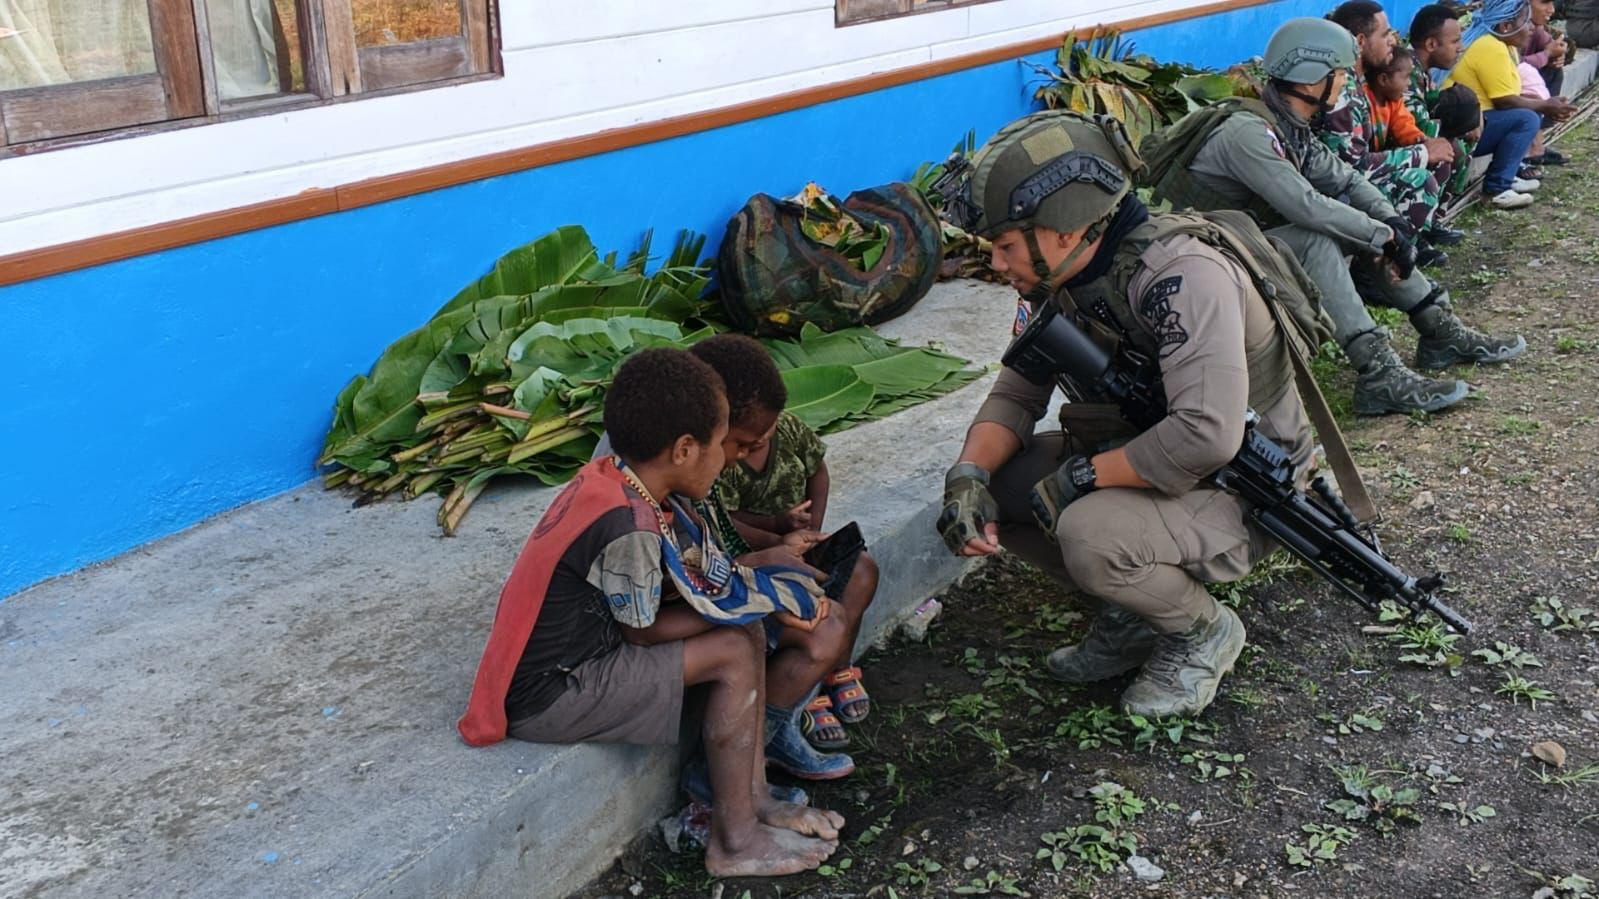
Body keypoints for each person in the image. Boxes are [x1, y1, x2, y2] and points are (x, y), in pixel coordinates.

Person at [936, 109, 1317, 719]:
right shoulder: (1064, 276)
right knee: (1005, 485)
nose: (998, 266)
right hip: (1152, 456)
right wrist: (967, 478)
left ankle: (1201, 630)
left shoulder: (1181, 276)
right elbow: (1016, 392)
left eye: (1006, 247)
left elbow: (1206, 434)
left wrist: (1081, 478)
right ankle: (1134, 611)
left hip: (1241, 487)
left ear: (1065, 229)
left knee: (1088, 532)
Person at [457, 347, 843, 878]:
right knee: (733, 646)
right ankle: (735, 842)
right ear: (685, 449)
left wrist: (752, 601)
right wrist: (757, 601)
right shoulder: (630, 523)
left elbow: (696, 584)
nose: (727, 457)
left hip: (588, 658)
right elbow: (642, 633)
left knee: (744, 628)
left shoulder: (619, 479)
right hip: (551, 692)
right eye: (719, 443)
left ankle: (754, 802)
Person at [1147, 17, 1526, 415]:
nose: (1347, 82)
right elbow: (1306, 206)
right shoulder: (1247, 134)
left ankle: (1438, 329)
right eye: (1342, 73)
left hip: (1238, 240)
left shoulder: (1287, 126)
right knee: (1317, 238)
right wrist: (1383, 236)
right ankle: (1377, 372)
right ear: (1312, 79)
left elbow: (1343, 180)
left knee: (1358, 227)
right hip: (1199, 258)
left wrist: (1388, 221)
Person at [688, 334, 881, 760]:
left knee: (860, 571)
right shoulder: (691, 478)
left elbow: (816, 475)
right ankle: (776, 731)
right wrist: (773, 551)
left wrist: (797, 537)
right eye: (742, 444)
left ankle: (826, 680)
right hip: (727, 596)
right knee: (821, 621)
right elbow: (706, 571)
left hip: (754, 564)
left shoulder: (720, 458)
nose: (741, 454)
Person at [1320, 1, 1454, 265]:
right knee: (1419, 180)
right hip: (1335, 194)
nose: (1393, 40)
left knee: (1436, 159)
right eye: (1385, 34)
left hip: (1353, 183)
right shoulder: (1341, 88)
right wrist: (1421, 153)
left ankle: (1408, 246)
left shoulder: (1361, 79)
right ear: (1359, 41)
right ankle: (1374, 268)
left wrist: (1422, 145)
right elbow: (1351, 168)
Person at [1444, 0, 1577, 207]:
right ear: (1505, 27)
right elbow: (1504, 101)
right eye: (1526, 22)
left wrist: (1544, 103)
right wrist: (1545, 105)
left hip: (1476, 122)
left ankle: (1511, 173)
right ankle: (1497, 189)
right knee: (1525, 118)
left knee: (1528, 109)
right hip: (1466, 132)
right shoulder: (1491, 47)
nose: (1532, 27)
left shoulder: (1504, 45)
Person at [1404, 4, 1480, 236]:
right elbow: (1417, 124)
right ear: (1431, 44)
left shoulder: (1421, 70)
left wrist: (1475, 115)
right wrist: (1461, 127)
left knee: (1460, 135)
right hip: (1399, 145)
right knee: (1449, 149)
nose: (1461, 47)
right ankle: (1421, 232)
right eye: (1455, 41)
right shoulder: (1405, 72)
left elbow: (1434, 103)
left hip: (1414, 139)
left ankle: (1434, 221)